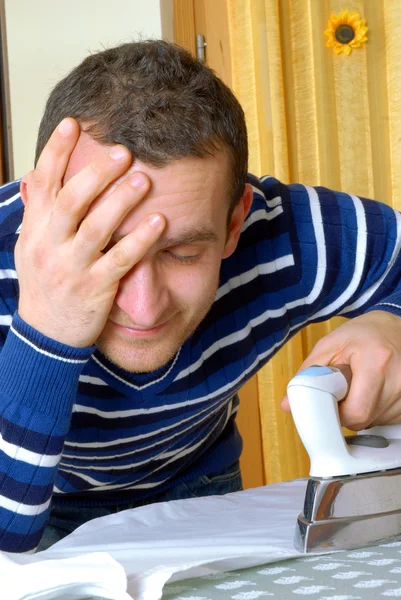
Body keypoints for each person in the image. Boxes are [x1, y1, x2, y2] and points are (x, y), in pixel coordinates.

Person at [1, 39, 401, 554]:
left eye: (184, 252)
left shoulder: (287, 237)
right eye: (101, 247)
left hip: (199, 484)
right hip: (38, 504)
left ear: (235, 222)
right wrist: (47, 326)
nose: (143, 307)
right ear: (37, 214)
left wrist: (390, 320)